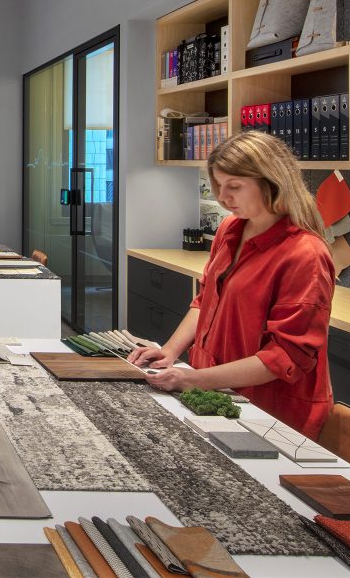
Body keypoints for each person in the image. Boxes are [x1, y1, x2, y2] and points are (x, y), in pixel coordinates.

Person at [128, 131, 336, 440]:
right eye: (219, 186)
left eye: (234, 187)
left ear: (271, 181)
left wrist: (194, 380)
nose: (223, 198)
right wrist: (169, 352)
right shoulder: (230, 230)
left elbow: (283, 358)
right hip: (217, 391)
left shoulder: (305, 253)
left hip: (269, 412)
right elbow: (205, 301)